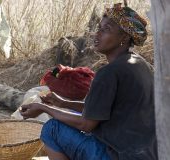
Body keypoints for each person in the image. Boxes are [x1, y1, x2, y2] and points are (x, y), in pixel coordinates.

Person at [20, 3, 157, 160]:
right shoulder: (140, 64)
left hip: (117, 155)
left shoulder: (109, 73)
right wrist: (62, 103)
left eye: (106, 30)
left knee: (52, 129)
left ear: (124, 38)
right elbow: (101, 110)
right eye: (99, 27)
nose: (97, 34)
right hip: (147, 153)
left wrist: (43, 108)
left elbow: (86, 124)